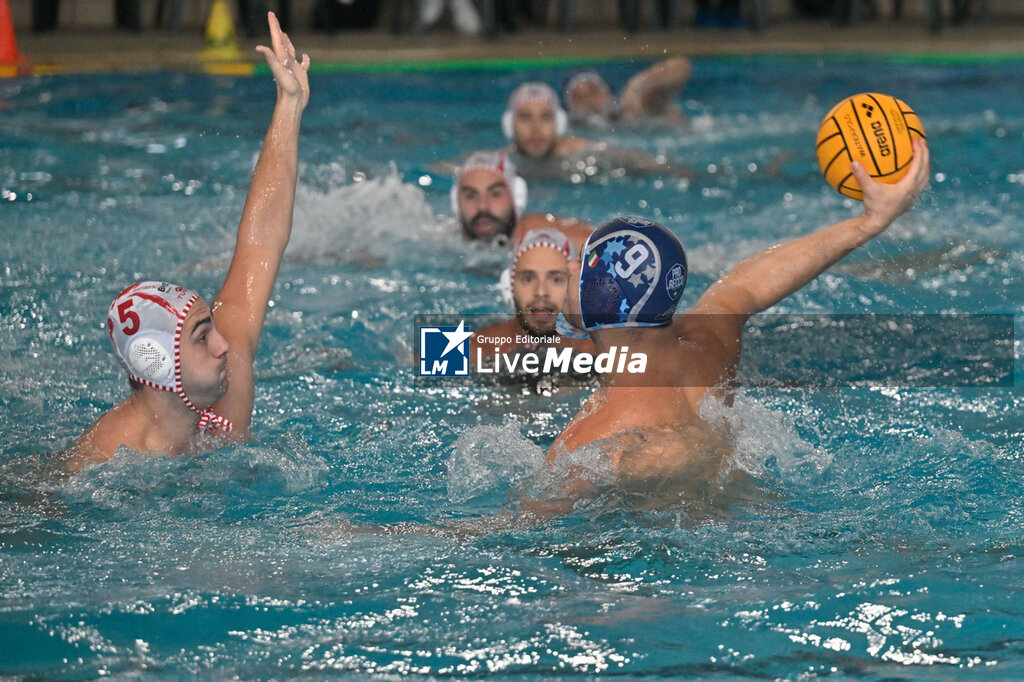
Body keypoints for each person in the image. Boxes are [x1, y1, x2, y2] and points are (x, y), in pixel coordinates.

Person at [535, 140, 930, 506]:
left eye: (581, 263)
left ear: (604, 299)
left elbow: (523, 532)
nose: (569, 265)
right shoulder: (704, 351)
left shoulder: (586, 447)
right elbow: (745, 284)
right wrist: (871, 221)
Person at [64, 13, 309, 472]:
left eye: (210, 328)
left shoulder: (224, 385)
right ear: (157, 363)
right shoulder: (105, 460)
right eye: (203, 337)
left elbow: (261, 243)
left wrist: (288, 107)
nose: (225, 345)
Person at [502, 82, 696, 180]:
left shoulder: (584, 152)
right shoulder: (502, 163)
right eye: (525, 117)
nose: (536, 128)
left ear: (559, 123)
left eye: (545, 117)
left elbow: (641, 161)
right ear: (510, 124)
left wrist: (683, 173)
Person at [474, 228, 596, 362]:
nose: (541, 292)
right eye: (528, 279)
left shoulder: (600, 353)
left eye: (556, 279)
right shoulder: (472, 348)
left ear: (575, 288)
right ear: (509, 286)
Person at [451, 150, 592, 248]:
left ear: (516, 197)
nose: (482, 206)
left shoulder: (541, 236)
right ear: (456, 203)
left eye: (495, 194)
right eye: (470, 195)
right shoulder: (444, 239)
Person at [562, 57, 692, 129]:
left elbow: (681, 67)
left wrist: (638, 85)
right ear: (570, 109)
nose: (589, 100)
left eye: (594, 91)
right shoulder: (571, 130)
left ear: (609, 93)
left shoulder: (636, 108)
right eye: (578, 98)